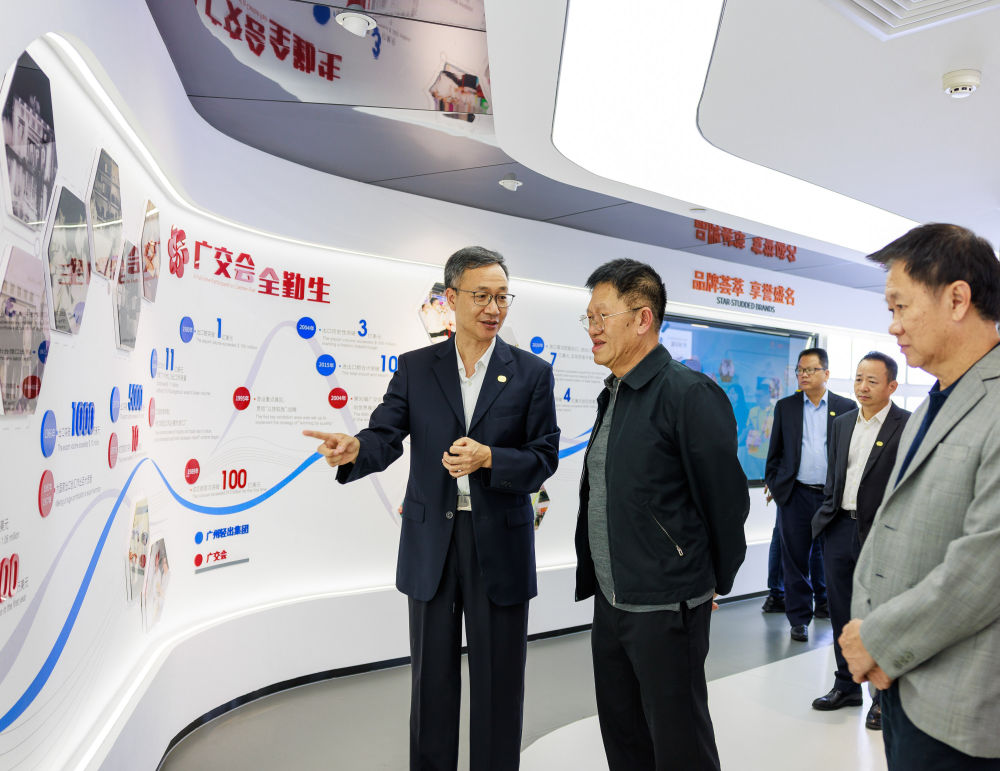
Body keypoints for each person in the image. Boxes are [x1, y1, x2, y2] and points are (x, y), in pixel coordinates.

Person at [304, 246, 560, 771]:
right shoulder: (417, 368)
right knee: (432, 684)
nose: (493, 308)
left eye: (502, 297)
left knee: (499, 684)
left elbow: (544, 456)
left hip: (500, 543)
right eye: (481, 296)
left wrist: (491, 458)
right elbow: (385, 434)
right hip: (431, 546)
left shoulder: (531, 373)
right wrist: (355, 449)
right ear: (451, 298)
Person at [574, 258, 749, 771]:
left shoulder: (688, 394)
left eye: (602, 316)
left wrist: (708, 582)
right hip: (612, 601)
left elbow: (726, 501)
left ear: (642, 319)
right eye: (588, 318)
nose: (592, 328)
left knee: (679, 745)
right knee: (623, 736)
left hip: (668, 605)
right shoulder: (614, 394)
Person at [841, 223, 1000, 770]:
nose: (894, 325)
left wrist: (880, 640)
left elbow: (984, 568)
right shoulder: (931, 404)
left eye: (902, 306)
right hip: (900, 683)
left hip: (960, 702)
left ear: (957, 299)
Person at [810, 352, 909, 730]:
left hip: (880, 533)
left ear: (891, 386)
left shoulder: (907, 425)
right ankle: (846, 685)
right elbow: (836, 475)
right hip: (839, 527)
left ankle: (882, 697)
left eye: (872, 381)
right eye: (858, 379)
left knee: (877, 614)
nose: (862, 387)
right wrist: (826, 515)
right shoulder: (842, 422)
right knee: (839, 610)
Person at [765, 348, 854, 641]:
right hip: (796, 495)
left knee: (833, 558)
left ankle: (833, 611)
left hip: (831, 497)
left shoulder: (846, 407)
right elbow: (775, 452)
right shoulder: (786, 407)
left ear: (826, 373)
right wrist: (777, 485)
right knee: (794, 561)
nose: (803, 375)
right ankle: (799, 619)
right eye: (800, 370)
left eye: (810, 370)